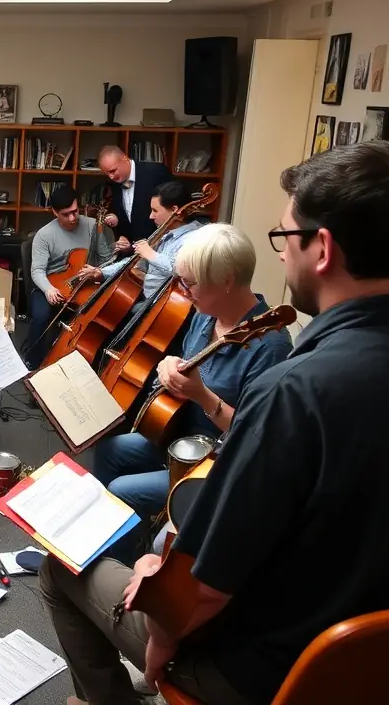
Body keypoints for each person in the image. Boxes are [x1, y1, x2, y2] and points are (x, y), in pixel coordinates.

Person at [39, 141, 389, 705]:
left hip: (261, 668)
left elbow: (203, 588)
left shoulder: (294, 388)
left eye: (285, 237)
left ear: (321, 248)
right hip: (364, 667)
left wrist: (160, 633)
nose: (280, 255)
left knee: (60, 571)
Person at [90, 222, 292, 562]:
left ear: (227, 280)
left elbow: (254, 437)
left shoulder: (269, 346)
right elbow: (186, 363)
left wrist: (201, 395)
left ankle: (115, 568)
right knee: (111, 449)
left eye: (191, 282)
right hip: (177, 433)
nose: (184, 290)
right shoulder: (204, 316)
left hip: (213, 460)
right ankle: (105, 542)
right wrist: (170, 366)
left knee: (123, 490)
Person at [23, 186, 114, 370]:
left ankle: (86, 365)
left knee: (101, 314)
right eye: (66, 214)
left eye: (75, 212)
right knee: (41, 316)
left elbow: (106, 259)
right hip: (52, 284)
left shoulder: (92, 225)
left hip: (84, 283)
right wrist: (48, 289)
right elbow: (37, 270)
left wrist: (99, 267)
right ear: (55, 212)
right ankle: (32, 362)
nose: (72, 218)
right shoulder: (44, 235)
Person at [79, 181, 206, 307]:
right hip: (146, 299)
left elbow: (184, 272)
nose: (151, 216)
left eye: (155, 210)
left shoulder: (197, 238)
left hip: (164, 307)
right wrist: (101, 272)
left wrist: (150, 254)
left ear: (174, 210)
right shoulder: (165, 231)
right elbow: (133, 261)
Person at [97, 145, 174, 247]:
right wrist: (122, 236)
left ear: (124, 158)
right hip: (133, 251)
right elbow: (123, 216)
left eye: (113, 171)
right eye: (107, 173)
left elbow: (175, 206)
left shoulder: (156, 172)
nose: (111, 177)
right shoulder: (114, 183)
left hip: (161, 245)